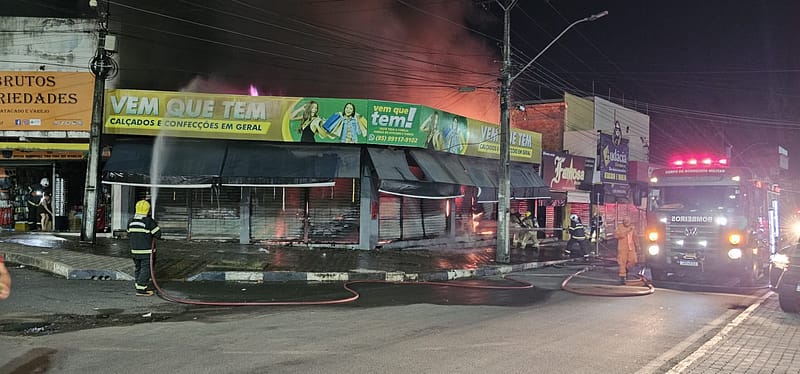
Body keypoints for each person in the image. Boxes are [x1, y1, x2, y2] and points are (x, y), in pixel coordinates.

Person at [127, 199, 162, 296]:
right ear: (148, 210)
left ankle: (138, 285)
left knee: (138, 268)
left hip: (135, 251)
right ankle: (141, 289)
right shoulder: (148, 221)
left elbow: (129, 234)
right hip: (147, 252)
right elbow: (158, 234)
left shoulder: (131, 221)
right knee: (146, 269)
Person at [615, 217, 638, 285]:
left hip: (631, 248)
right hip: (622, 248)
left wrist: (638, 246)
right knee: (622, 262)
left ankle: (626, 268)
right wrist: (627, 231)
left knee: (633, 260)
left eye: (628, 221)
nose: (627, 222)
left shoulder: (632, 227)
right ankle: (623, 277)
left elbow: (635, 237)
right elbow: (617, 235)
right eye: (625, 221)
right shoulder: (619, 227)